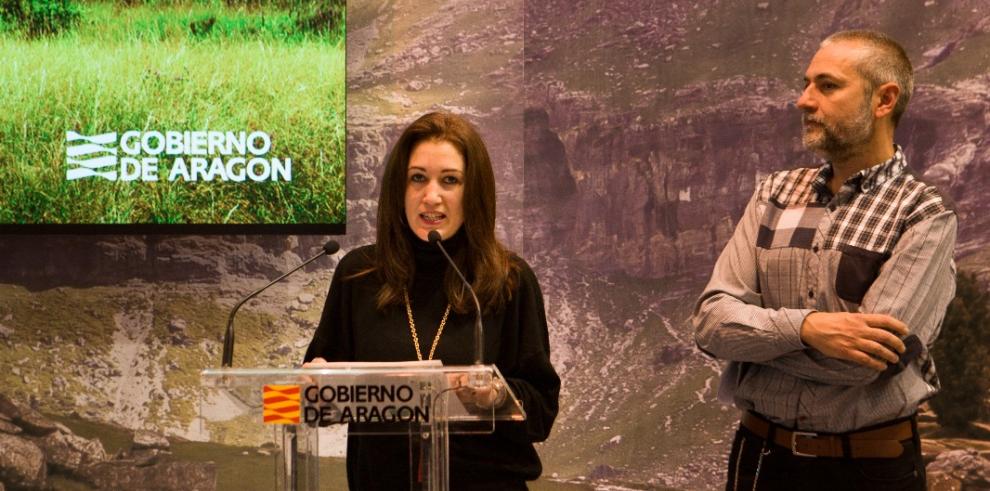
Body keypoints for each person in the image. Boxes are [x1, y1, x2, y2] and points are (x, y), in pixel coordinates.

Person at [693, 30, 956, 490]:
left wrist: (754, 347)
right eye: (806, 83)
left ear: (883, 99)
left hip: (870, 470)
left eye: (827, 86)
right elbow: (711, 323)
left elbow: (861, 362)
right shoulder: (774, 193)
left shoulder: (922, 214)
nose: (803, 100)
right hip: (759, 460)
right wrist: (808, 328)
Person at [304, 112, 560, 490]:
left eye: (450, 180)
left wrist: (496, 394)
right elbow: (306, 401)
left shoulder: (508, 280)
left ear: (473, 192)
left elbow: (542, 413)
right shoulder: (358, 276)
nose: (431, 196)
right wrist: (313, 385)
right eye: (418, 178)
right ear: (399, 188)